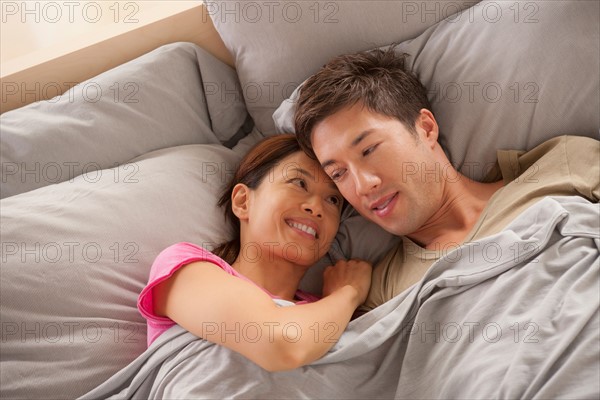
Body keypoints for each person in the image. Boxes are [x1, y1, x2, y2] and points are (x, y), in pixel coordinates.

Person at [293, 46, 600, 313]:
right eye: (338, 173)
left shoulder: (562, 167)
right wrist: (342, 299)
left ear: (426, 128)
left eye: (369, 149)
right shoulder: (379, 293)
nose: (363, 185)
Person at [137, 134, 372, 371]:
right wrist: (349, 292)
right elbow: (281, 345)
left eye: (333, 199)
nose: (317, 207)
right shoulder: (184, 270)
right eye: (299, 184)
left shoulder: (332, 315)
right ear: (243, 201)